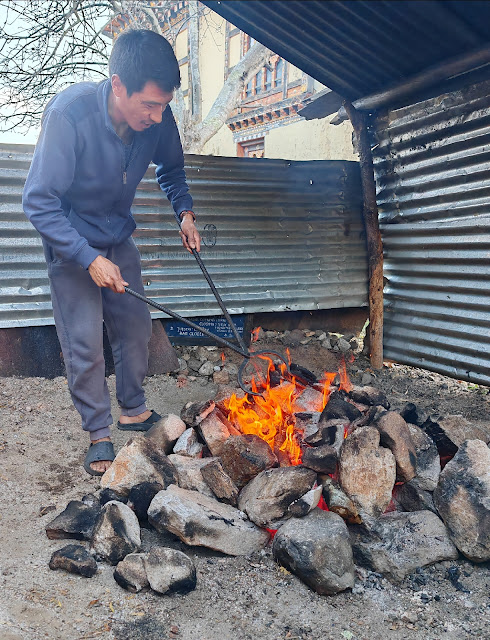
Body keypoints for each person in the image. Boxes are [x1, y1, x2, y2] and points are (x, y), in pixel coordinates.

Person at [22, 29, 201, 476]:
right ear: (118, 85)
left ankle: (134, 409)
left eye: (164, 106)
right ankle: (98, 433)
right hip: (70, 239)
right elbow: (38, 201)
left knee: (135, 325)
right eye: (149, 105)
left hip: (117, 233)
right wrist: (87, 258)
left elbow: (173, 170)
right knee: (83, 340)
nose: (158, 116)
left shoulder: (156, 118)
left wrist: (185, 213)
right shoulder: (69, 114)